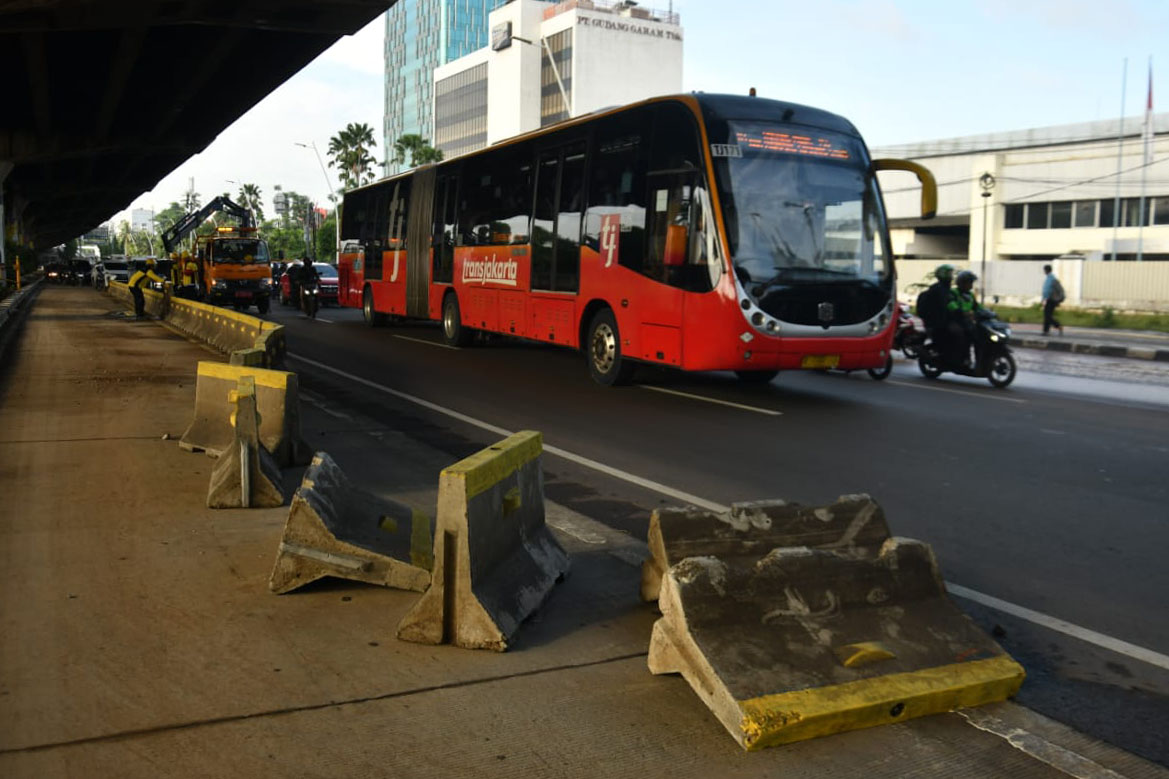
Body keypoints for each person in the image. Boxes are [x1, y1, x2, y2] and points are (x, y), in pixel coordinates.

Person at [946, 270, 983, 367]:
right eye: (968, 282)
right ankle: (964, 359)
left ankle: (980, 360)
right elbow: (951, 305)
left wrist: (987, 313)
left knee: (979, 336)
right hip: (954, 321)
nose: (970, 285)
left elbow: (977, 307)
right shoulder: (953, 293)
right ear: (961, 283)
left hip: (967, 322)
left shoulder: (970, 295)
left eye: (971, 282)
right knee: (963, 337)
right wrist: (962, 313)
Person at [1041, 264, 1065, 336]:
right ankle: (1045, 331)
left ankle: (1058, 326)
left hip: (1052, 300)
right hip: (1048, 299)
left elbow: (1049, 291)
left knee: (1048, 316)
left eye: (1044, 270)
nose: (1044, 271)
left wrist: (1044, 299)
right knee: (1047, 315)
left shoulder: (1052, 279)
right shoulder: (1049, 278)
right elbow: (1046, 291)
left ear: (1046, 270)